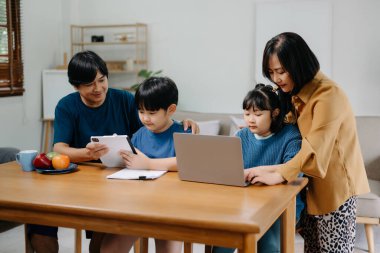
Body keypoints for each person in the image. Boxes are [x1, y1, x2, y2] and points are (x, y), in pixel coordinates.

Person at [28, 51, 199, 253]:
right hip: (84, 181)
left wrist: (183, 123)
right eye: (90, 84)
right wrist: (87, 154)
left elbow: (154, 129)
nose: (98, 88)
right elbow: (59, 148)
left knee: (107, 233)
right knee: (39, 218)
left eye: (102, 80)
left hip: (118, 184)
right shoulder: (67, 106)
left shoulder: (125, 100)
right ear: (76, 86)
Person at [244, 32, 370, 252]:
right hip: (308, 185)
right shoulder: (295, 92)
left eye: (281, 71)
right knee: (312, 248)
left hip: (335, 189)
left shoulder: (328, 96)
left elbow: (313, 147)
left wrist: (279, 174)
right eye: (271, 72)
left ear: (299, 64)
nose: (276, 79)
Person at [100, 77, 189, 253]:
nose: (145, 118)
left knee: (168, 248)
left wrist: (149, 163)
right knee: (108, 248)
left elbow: (187, 163)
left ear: (170, 110)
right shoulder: (139, 136)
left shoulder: (183, 132)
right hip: (137, 205)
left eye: (152, 112)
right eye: (141, 111)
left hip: (170, 208)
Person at [212, 84, 304, 253]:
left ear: (275, 113)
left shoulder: (291, 135)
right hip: (244, 203)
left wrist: (259, 171)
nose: (250, 120)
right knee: (221, 241)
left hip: (282, 205)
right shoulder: (241, 136)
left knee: (268, 244)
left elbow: (295, 167)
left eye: (258, 114)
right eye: (247, 114)